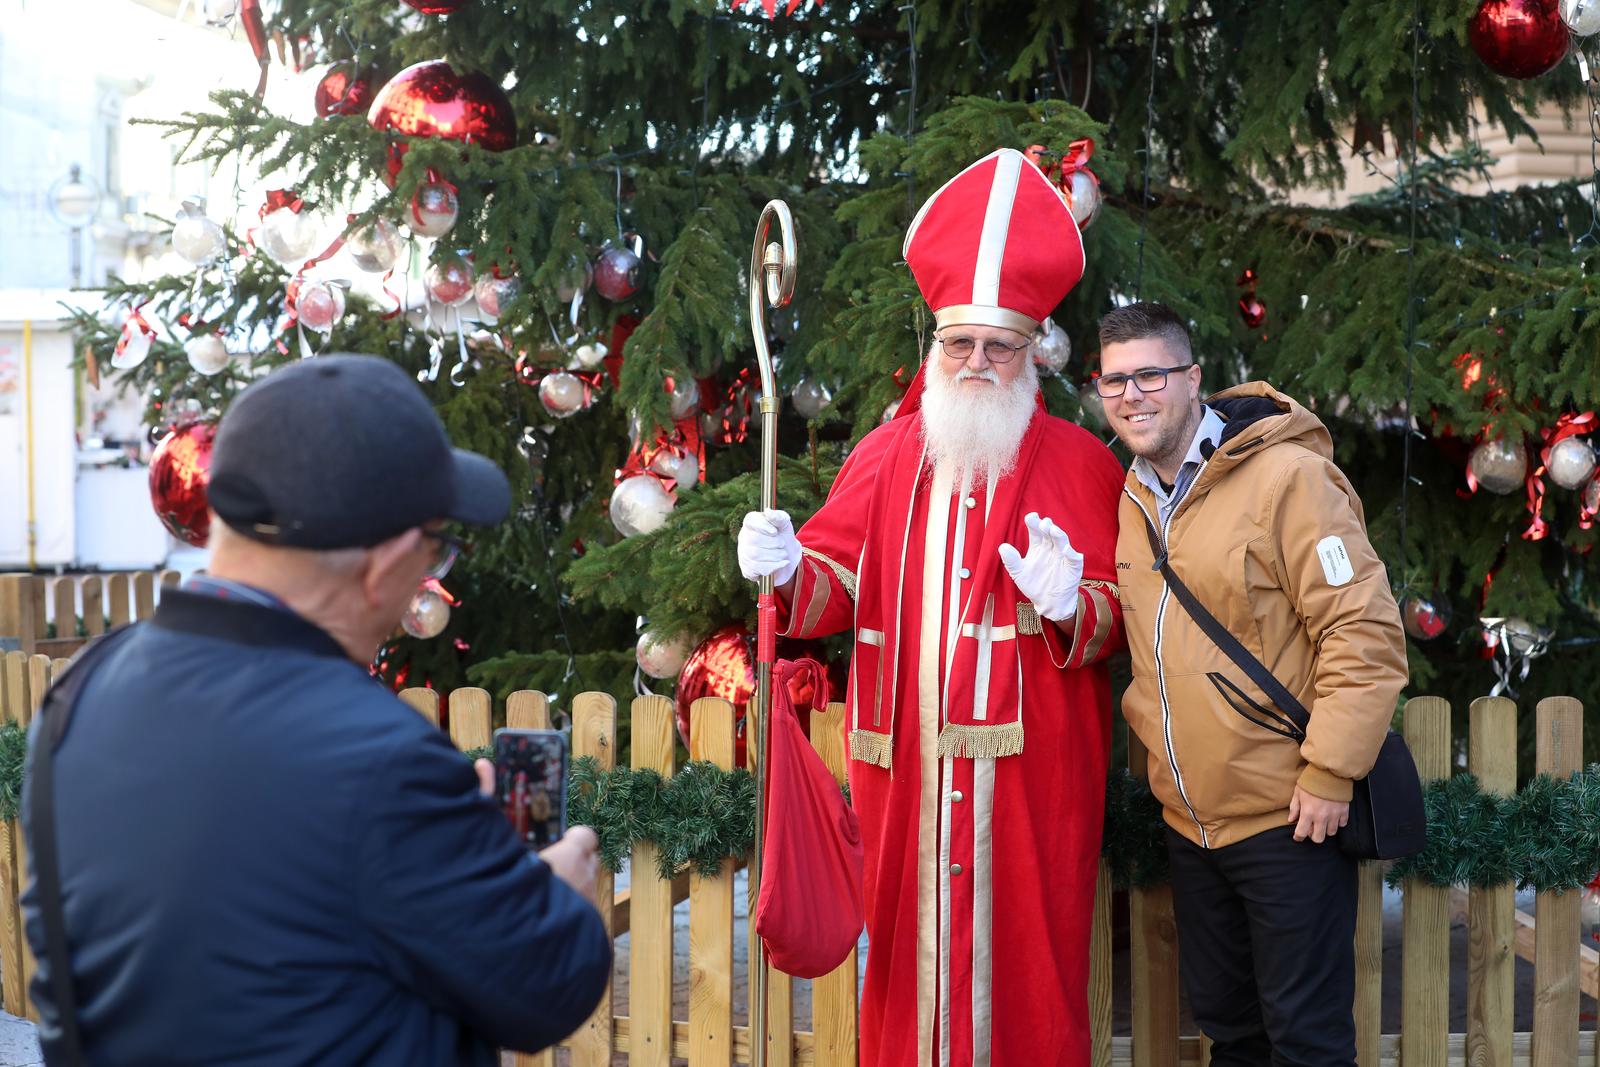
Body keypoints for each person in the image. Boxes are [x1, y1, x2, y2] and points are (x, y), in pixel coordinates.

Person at [22, 355, 611, 1066]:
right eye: (438, 549)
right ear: (385, 561)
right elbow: (549, 985)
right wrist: (553, 889)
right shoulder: (381, 757)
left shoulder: (79, 693)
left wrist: (454, 849)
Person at [738, 148, 1126, 1067]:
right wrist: (787, 566)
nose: (979, 362)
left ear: (1033, 353)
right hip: (901, 774)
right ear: (936, 347)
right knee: (904, 983)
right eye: (961, 344)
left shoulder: (1082, 463)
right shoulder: (883, 454)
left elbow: (1124, 618)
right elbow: (834, 588)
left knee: (1029, 985)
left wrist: (1074, 604)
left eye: (1000, 346)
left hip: (1031, 788)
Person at [1097, 302, 1407, 1066]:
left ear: (1192, 378)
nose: (1132, 394)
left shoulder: (1288, 477)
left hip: (1291, 817)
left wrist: (1332, 773)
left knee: (1307, 1042)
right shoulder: (1132, 500)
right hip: (1192, 825)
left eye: (1149, 374)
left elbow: (1363, 633)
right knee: (1233, 1038)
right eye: (1113, 381)